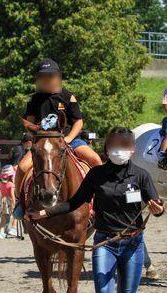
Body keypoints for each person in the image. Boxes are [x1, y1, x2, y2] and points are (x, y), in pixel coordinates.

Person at [26, 127, 164, 293]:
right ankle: (20, 202)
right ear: (107, 148)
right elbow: (74, 202)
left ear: (132, 149)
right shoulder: (96, 175)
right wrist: (44, 214)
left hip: (133, 244)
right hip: (105, 244)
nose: (119, 151)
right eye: (114, 146)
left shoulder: (141, 176)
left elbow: (156, 204)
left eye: (124, 146)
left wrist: (158, 209)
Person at [15, 59, 102, 193]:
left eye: (50, 75)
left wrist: (68, 139)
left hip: (70, 139)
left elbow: (78, 122)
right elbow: (30, 124)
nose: (46, 79)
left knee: (95, 159)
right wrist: (38, 138)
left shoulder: (68, 97)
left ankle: (102, 196)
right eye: (42, 76)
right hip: (43, 142)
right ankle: (19, 201)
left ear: (58, 77)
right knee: (21, 168)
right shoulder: (34, 100)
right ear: (37, 78)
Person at [0, 165, 16, 239]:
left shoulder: (1, 184)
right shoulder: (11, 185)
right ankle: (12, 229)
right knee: (14, 216)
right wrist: (14, 203)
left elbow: (1, 193)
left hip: (2, 201)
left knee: (3, 218)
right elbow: (12, 195)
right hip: (9, 202)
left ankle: (1, 232)